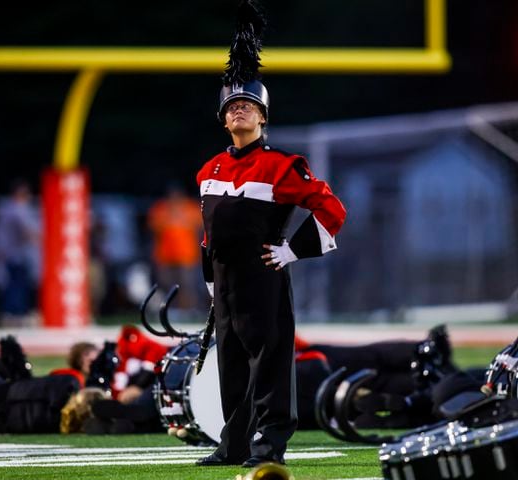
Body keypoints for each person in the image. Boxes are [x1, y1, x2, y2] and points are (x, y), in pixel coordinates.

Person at [195, 1, 346, 468]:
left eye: (249, 106)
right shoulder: (209, 170)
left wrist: (293, 251)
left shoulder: (281, 165)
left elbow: (332, 210)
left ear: (263, 118)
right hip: (226, 283)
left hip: (263, 276)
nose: (239, 111)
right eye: (233, 106)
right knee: (231, 366)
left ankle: (269, 444)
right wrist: (210, 283)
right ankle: (233, 445)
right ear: (224, 119)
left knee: (271, 365)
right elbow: (208, 235)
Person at [0, 179, 40, 327]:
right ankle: (14, 315)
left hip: (9, 254)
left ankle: (13, 314)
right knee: (16, 285)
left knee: (13, 285)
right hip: (13, 255)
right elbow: (26, 231)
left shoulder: (4, 209)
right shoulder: (15, 209)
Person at [146, 184, 203, 310]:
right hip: (165, 256)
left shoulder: (191, 208)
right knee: (167, 284)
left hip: (186, 256)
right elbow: (153, 227)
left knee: (187, 285)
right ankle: (171, 309)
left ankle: (188, 311)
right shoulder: (161, 208)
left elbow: (200, 229)